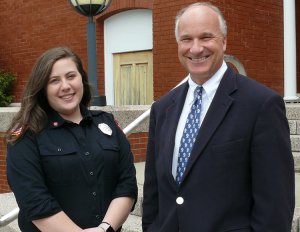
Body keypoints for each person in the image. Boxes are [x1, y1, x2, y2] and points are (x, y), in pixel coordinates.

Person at [142, 2, 295, 232]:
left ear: (224, 41)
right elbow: (154, 193)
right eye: (186, 39)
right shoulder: (162, 108)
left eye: (206, 37)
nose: (195, 48)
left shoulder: (261, 105)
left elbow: (275, 205)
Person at [6, 47, 137, 232]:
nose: (65, 86)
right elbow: (33, 199)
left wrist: (104, 228)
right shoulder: (26, 136)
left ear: (82, 79)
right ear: (42, 88)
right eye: (54, 81)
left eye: (70, 76)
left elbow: (127, 184)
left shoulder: (106, 123)